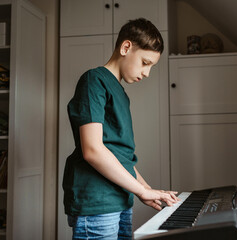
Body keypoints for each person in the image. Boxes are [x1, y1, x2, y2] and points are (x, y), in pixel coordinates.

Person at [63, 18, 179, 240]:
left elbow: (120, 156)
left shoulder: (122, 95)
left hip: (120, 198)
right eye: (145, 63)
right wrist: (141, 190)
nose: (147, 73)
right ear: (126, 47)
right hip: (97, 202)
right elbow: (93, 150)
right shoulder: (94, 81)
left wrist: (147, 189)